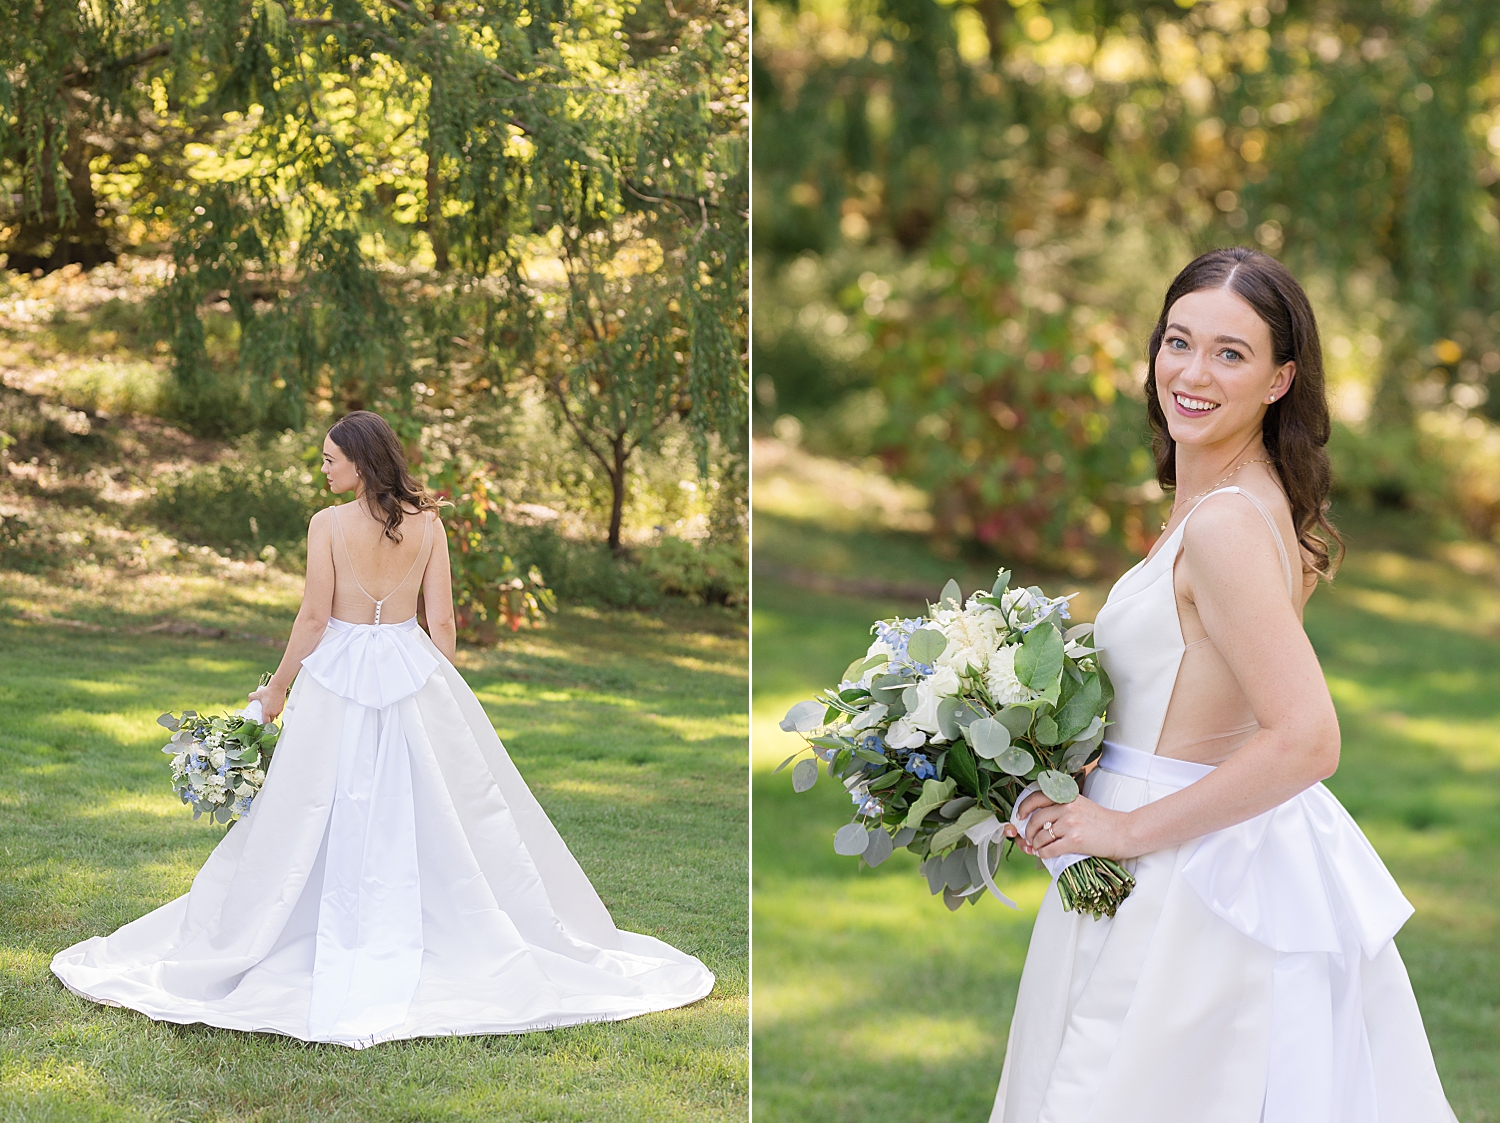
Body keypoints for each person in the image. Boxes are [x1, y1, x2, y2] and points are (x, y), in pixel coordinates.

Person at [52, 410, 714, 1048]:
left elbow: (314, 619)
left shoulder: (328, 525)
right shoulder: (428, 525)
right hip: (410, 664)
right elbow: (443, 622)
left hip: (336, 670)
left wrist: (275, 689)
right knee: (436, 807)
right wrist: (439, 686)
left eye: (330, 459)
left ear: (362, 464)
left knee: (311, 801)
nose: (323, 469)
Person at [991, 249, 1457, 1122]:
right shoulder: (1244, 500)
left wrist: (1125, 826)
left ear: (1282, 379)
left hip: (1177, 876)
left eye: (1230, 353)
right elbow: (1206, 701)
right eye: (1178, 341)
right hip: (1188, 842)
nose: (1192, 373)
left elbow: (1308, 738)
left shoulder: (1227, 526)